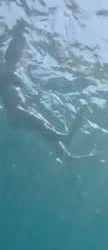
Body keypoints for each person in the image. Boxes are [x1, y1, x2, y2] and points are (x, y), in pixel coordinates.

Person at [0, 21, 92, 159]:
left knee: (44, 125)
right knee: (41, 124)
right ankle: (64, 138)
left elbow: (14, 99)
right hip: (15, 113)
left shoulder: (9, 72)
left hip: (16, 113)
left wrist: (32, 100)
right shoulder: (5, 69)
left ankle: (66, 155)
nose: (20, 56)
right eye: (18, 52)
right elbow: (9, 86)